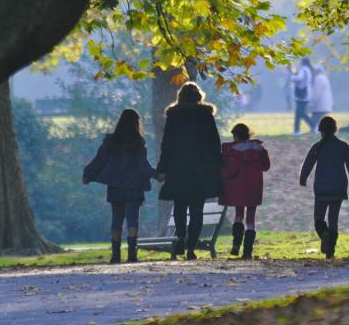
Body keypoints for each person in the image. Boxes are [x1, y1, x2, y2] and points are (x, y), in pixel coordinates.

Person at [156, 82, 223, 260]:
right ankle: (191, 246)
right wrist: (218, 167)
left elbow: (167, 146)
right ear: (199, 97)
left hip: (179, 168)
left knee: (179, 206)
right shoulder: (206, 116)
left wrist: (162, 169)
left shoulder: (174, 116)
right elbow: (214, 144)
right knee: (197, 210)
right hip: (201, 170)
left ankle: (180, 237)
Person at [82, 108, 158, 264]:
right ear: (136, 123)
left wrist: (88, 174)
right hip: (134, 186)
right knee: (132, 219)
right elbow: (143, 166)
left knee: (116, 219)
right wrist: (157, 175)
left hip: (116, 186)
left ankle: (115, 255)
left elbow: (99, 159)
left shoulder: (111, 141)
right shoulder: (138, 142)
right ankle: (132, 254)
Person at [299, 115, 349, 259]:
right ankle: (330, 252)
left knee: (318, 219)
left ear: (321, 130)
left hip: (322, 188)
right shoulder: (343, 146)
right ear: (335, 130)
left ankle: (324, 234)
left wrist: (303, 178)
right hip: (338, 188)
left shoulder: (317, 147)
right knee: (333, 219)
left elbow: (308, 163)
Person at [219, 123, 271, 259]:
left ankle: (236, 244)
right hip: (255, 187)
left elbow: (229, 170)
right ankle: (248, 251)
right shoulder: (259, 149)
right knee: (251, 219)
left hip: (239, 186)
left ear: (235, 135)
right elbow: (266, 166)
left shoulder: (232, 151)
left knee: (239, 215)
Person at [289, 57, 314, 134]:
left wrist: (292, 77)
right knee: (298, 113)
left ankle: (313, 125)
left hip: (302, 95)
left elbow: (299, 78)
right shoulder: (308, 70)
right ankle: (297, 130)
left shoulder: (303, 70)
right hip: (305, 94)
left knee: (301, 113)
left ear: (303, 63)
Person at [309, 64, 334, 132]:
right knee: (317, 120)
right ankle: (315, 131)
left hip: (320, 105)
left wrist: (313, 104)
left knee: (314, 120)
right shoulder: (324, 78)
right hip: (324, 104)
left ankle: (314, 131)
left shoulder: (318, 79)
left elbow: (317, 93)